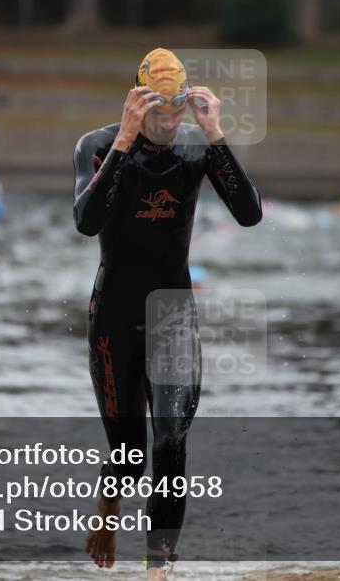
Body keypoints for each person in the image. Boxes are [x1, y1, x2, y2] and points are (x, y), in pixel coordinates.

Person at [73, 48, 262, 578]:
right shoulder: (97, 146)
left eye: (175, 110)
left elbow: (249, 214)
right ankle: (110, 505)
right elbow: (86, 222)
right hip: (113, 317)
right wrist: (127, 141)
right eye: (156, 110)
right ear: (136, 99)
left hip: (173, 315)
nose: (167, 122)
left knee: (171, 438)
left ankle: (159, 566)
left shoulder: (197, 149)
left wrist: (217, 133)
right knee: (131, 457)